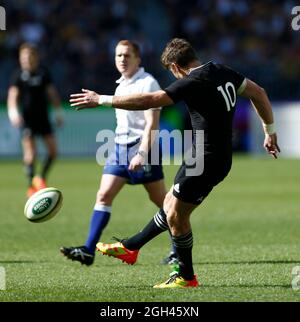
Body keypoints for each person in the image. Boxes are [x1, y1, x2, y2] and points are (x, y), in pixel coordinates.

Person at [69, 38, 280, 288]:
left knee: (177, 218)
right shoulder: (222, 71)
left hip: (206, 159)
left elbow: (151, 100)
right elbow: (259, 93)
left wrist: (101, 99)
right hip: (208, 156)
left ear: (174, 67)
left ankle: (185, 276)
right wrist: (269, 131)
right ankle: (131, 247)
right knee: (170, 204)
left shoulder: (192, 81)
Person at [61, 40, 178, 266]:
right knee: (103, 195)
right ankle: (88, 250)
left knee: (163, 202)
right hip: (119, 148)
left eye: (127, 55)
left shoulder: (148, 83)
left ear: (138, 59)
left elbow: (152, 124)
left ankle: (177, 249)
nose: (122, 59)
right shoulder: (121, 85)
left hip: (144, 149)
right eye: (118, 56)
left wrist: (142, 154)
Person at [7, 43, 64, 198]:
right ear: (20, 59)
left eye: (29, 56)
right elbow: (13, 97)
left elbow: (52, 94)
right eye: (23, 57)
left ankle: (41, 178)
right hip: (28, 120)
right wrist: (13, 112)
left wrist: (58, 112)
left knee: (53, 151)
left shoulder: (43, 73)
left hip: (43, 118)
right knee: (31, 154)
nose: (26, 60)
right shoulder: (18, 75)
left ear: (35, 57)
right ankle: (31, 185)